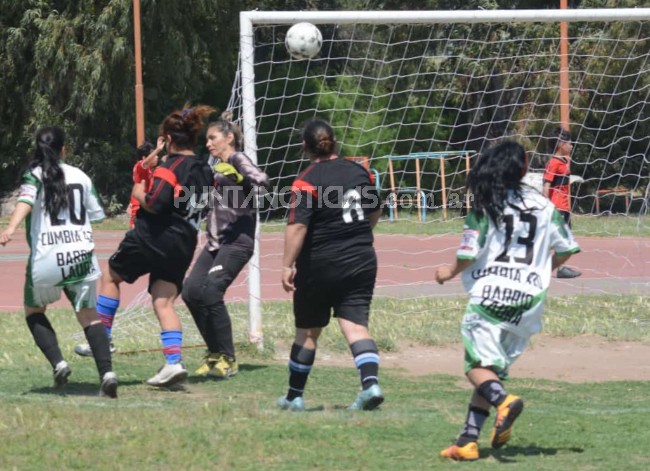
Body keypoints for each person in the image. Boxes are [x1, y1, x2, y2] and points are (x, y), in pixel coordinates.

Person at [435, 141, 580, 461]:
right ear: (525, 169)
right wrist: (544, 267)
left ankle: (504, 402)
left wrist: (447, 271)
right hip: (529, 301)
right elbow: (568, 249)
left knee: (476, 367)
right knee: (490, 369)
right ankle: (468, 441)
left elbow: (468, 253)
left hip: (491, 296)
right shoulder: (544, 206)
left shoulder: (487, 202)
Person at [96, 104, 215, 388]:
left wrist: (138, 191)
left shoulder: (170, 167)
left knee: (111, 276)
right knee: (164, 301)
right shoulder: (204, 171)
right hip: (185, 241)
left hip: (155, 235)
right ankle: (173, 363)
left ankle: (102, 339)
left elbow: (156, 203)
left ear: (170, 140)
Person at [0, 126, 117, 398]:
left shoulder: (34, 175)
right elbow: (98, 216)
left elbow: (25, 201)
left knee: (34, 310)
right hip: (80, 255)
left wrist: (10, 228)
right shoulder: (80, 176)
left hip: (47, 257)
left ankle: (59, 363)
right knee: (89, 317)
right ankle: (107, 374)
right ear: (64, 149)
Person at [277, 119, 383, 412]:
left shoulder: (306, 180)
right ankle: (370, 385)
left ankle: (294, 397)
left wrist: (287, 265)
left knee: (308, 332)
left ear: (305, 147)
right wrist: (360, 235)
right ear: (334, 142)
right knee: (356, 326)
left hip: (320, 264)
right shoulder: (361, 172)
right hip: (362, 259)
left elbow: (297, 227)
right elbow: (375, 211)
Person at [182, 111, 270, 378]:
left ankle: (228, 358)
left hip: (237, 241)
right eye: (206, 139)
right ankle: (214, 354)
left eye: (212, 138)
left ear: (229, 138)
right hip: (214, 243)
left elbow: (264, 182)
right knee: (190, 291)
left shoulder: (237, 158)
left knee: (210, 292)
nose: (208, 143)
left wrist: (242, 179)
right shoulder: (214, 166)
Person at [74, 137, 167, 358]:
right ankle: (172, 358)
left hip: (150, 231)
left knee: (113, 277)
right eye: (155, 155)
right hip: (142, 229)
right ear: (146, 157)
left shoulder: (160, 172)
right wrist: (160, 150)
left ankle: (105, 339)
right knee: (160, 292)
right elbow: (144, 167)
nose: (159, 158)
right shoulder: (141, 166)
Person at [543, 127, 582, 279]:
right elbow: (546, 185)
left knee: (562, 237)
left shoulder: (564, 161)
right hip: (557, 207)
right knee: (560, 238)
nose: (571, 144)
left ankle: (554, 266)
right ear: (560, 144)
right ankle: (559, 268)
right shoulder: (554, 163)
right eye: (569, 142)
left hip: (564, 207)